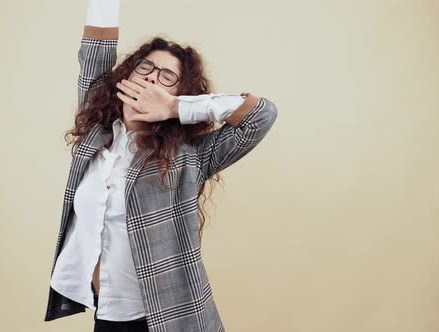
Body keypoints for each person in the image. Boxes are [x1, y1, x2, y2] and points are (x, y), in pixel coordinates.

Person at [44, 0, 278, 331]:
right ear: (126, 76)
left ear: (179, 94)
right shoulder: (97, 132)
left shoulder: (189, 156)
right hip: (105, 317)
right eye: (145, 68)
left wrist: (176, 107)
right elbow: (95, 53)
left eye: (167, 77)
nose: (152, 78)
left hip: (166, 322)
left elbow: (260, 115)